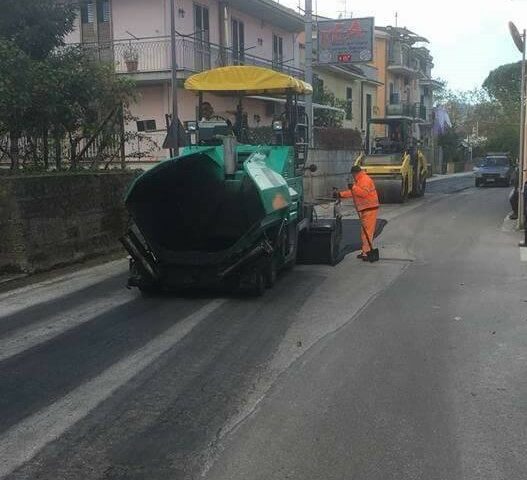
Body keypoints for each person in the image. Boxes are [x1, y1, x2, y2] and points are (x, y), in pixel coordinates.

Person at [336, 165, 380, 261]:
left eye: (352, 175)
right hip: (366, 209)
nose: (352, 177)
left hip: (370, 208)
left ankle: (367, 253)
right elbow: (354, 192)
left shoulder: (365, 180)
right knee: (364, 232)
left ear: (355, 173)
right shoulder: (360, 180)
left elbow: (363, 193)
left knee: (367, 232)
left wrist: (354, 187)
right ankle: (365, 251)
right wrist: (340, 194)